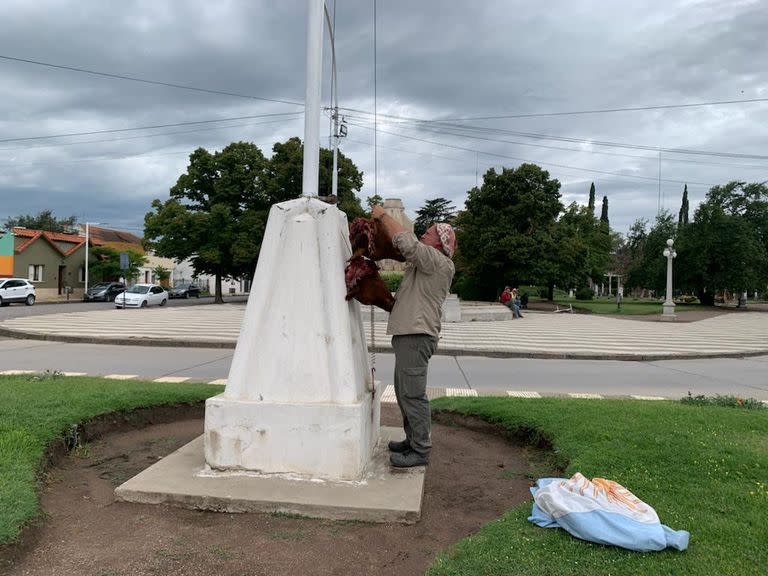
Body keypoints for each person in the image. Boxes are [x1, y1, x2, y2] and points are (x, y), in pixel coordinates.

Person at [371, 205, 456, 468]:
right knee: (404, 392)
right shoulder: (425, 267)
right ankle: (412, 440)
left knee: (413, 395)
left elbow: (407, 243)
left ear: (439, 242)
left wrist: (383, 215)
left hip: (417, 336)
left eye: (429, 233)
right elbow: (408, 301)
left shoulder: (437, 261)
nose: (423, 234)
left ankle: (420, 450)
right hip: (411, 335)